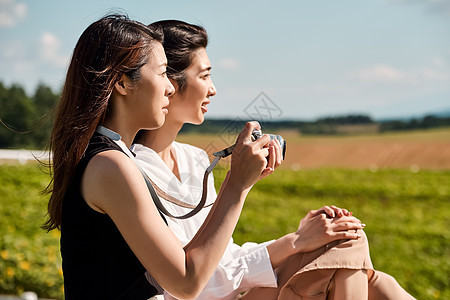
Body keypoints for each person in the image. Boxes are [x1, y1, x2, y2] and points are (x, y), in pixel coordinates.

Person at [132, 20, 416, 299]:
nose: (213, 88)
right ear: (168, 82)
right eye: (204, 76)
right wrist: (294, 240)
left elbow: (225, 257)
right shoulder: (133, 171)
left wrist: (302, 237)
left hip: (233, 293)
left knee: (347, 238)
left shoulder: (193, 158)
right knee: (350, 254)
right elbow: (191, 285)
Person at [43, 14, 279, 299]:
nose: (170, 87)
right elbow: (187, 282)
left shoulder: (111, 156)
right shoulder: (110, 164)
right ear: (122, 83)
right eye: (162, 72)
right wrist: (238, 183)